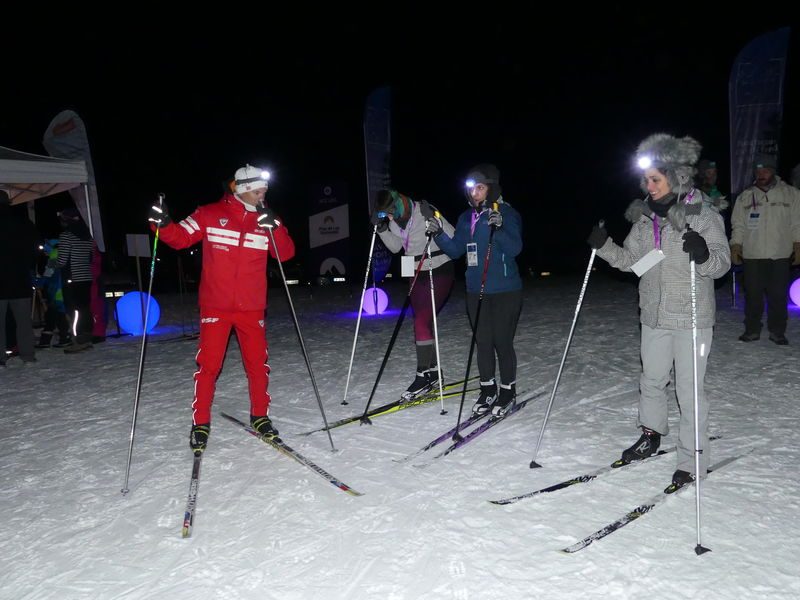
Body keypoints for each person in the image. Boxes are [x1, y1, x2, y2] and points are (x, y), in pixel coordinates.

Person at [587, 133, 730, 491]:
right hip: (653, 315)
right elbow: (632, 263)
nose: (648, 186)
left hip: (692, 318)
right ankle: (651, 436)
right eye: (646, 180)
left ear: (676, 177)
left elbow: (722, 265)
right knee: (651, 380)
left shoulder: (704, 215)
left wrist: (704, 254)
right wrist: (604, 247)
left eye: (655, 179)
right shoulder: (644, 219)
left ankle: (691, 457)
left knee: (689, 389)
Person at [149, 165, 296, 454]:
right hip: (215, 304)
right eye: (257, 191)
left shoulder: (268, 218)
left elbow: (286, 253)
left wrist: (275, 228)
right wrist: (161, 224)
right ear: (241, 189)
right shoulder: (209, 214)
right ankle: (200, 421)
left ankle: (260, 416)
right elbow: (179, 238)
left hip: (252, 307)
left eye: (265, 191)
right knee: (209, 366)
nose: (262, 195)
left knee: (257, 365)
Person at [426, 164, 523, 416]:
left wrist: (499, 227)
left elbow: (515, 249)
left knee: (502, 342)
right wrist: (438, 235)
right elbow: (457, 250)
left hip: (505, 290)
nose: (475, 193)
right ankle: (487, 389)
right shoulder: (464, 218)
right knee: (483, 343)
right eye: (472, 189)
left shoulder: (508, 214)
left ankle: (507, 391)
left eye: (480, 188)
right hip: (474, 290)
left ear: (490, 189)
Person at [371, 189, 456, 400]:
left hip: (439, 268)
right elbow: (395, 247)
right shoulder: (393, 220)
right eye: (386, 215)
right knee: (424, 323)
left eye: (390, 213)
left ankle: (422, 375)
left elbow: (453, 235)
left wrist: (435, 220)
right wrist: (382, 229)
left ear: (398, 205)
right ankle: (435, 373)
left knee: (422, 320)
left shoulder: (423, 210)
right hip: (414, 271)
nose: (390, 218)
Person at [730, 155, 800, 345]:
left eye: (765, 170)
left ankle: (777, 331)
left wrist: (798, 244)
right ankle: (752, 329)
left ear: (773, 171)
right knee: (753, 296)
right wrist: (736, 245)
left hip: (780, 254)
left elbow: (797, 223)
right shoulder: (745, 196)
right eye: (758, 171)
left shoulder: (790, 194)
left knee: (778, 296)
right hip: (752, 255)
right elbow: (738, 224)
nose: (761, 174)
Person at [0, 190, 39, 366]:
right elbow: (33, 249)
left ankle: (1, 357)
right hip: (20, 279)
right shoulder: (23, 223)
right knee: (23, 321)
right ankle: (28, 355)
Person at [56, 207, 96, 353]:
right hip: (86, 276)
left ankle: (78, 340)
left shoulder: (66, 236)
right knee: (85, 308)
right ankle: (86, 336)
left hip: (72, 278)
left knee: (74, 310)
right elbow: (90, 258)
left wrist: (52, 262)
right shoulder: (88, 236)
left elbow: (62, 260)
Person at [35, 239, 71, 348]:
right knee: (56, 314)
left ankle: (54, 339)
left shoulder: (54, 256)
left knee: (54, 314)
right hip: (61, 289)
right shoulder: (63, 255)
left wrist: (36, 281)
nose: (44, 250)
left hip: (56, 291)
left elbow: (48, 275)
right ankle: (60, 338)